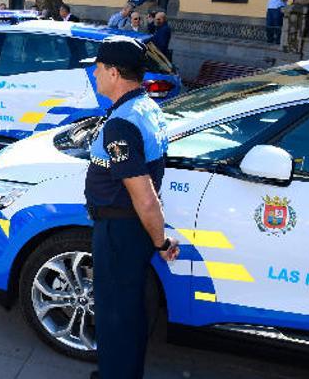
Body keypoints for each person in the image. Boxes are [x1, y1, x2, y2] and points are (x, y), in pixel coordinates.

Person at [85, 37, 180, 379]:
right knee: (126, 309)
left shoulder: (122, 125)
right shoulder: (144, 106)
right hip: (127, 229)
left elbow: (145, 196)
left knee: (115, 314)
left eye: (97, 69)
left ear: (113, 72)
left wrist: (161, 241)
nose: (94, 75)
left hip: (120, 231)